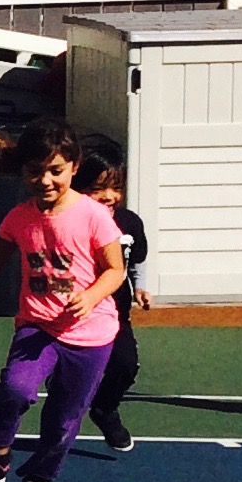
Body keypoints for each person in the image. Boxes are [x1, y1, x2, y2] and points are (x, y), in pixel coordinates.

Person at [0, 119, 129, 482]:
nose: (45, 181)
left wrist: (91, 295)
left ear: (74, 168)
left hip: (90, 336)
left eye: (55, 171)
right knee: (15, 389)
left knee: (64, 419)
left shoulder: (94, 216)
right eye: (35, 171)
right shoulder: (19, 218)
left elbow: (115, 270)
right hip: (37, 327)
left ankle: (40, 480)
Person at [75, 137, 150, 452]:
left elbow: (137, 258)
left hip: (115, 314)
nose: (109, 195)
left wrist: (141, 286)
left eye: (116, 186)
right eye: (97, 187)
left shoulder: (128, 223)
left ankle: (105, 409)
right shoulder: (68, 220)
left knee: (125, 365)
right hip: (71, 313)